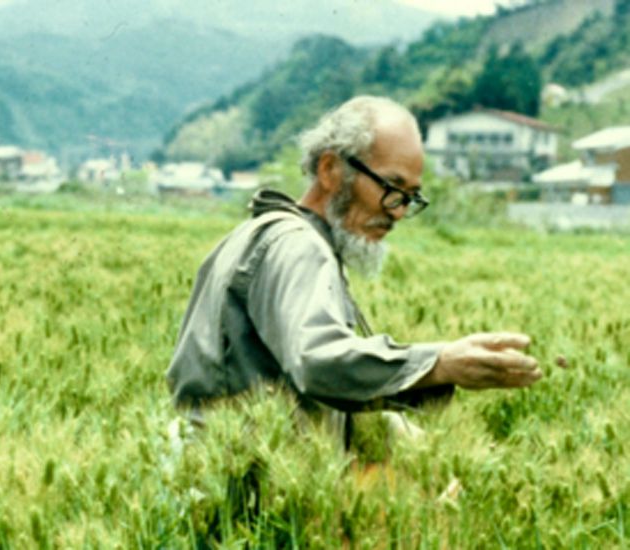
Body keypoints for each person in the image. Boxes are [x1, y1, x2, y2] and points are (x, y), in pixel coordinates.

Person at [166, 96, 542, 444]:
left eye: (411, 197)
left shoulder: (265, 235)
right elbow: (317, 361)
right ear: (330, 169)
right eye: (390, 186)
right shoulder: (298, 245)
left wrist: (395, 429)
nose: (397, 211)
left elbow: (288, 382)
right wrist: (440, 364)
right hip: (244, 492)